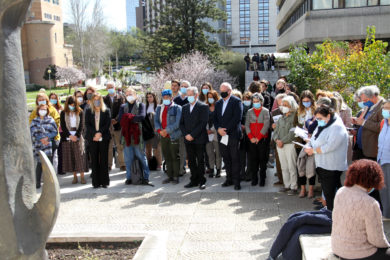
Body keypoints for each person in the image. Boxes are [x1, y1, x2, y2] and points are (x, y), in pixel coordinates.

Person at [332, 160, 390, 259]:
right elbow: (376, 239)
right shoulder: (370, 203)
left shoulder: (341, 192)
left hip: (337, 248)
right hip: (359, 254)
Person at [305, 105, 349, 210]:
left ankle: (331, 215)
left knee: (330, 194)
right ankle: (332, 213)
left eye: (320, 118)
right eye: (317, 119)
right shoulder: (324, 124)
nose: (318, 121)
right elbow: (314, 138)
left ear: (328, 116)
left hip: (332, 166)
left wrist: (314, 150)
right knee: (329, 191)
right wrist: (309, 145)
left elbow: (330, 146)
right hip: (323, 164)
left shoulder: (337, 127)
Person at [214, 82, 243, 190]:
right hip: (222, 135)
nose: (222, 93)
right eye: (220, 91)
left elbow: (237, 118)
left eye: (224, 91)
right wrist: (218, 129)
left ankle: (237, 181)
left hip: (233, 134)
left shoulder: (237, 101)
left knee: (235, 158)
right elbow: (215, 118)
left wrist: (225, 130)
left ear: (229, 91)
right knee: (226, 158)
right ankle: (229, 179)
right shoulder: (218, 103)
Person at [118, 88, 150, 185]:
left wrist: (127, 117)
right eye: (127, 94)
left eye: (131, 94)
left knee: (141, 156)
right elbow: (120, 119)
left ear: (135, 95)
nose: (129, 96)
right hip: (126, 136)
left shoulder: (141, 105)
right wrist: (132, 118)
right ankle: (129, 177)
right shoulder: (123, 106)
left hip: (138, 136)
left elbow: (141, 117)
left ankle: (146, 177)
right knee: (128, 158)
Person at [180, 87, 209, 190]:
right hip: (187, 139)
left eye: (190, 95)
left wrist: (192, 135)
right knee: (191, 161)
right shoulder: (184, 107)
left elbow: (203, 123)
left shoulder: (203, 107)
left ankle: (202, 181)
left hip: (199, 138)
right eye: (187, 95)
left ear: (196, 95)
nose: (188, 97)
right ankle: (193, 180)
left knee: (200, 160)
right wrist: (186, 135)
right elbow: (181, 123)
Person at [155, 89, 182, 184]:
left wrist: (167, 130)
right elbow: (156, 121)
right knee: (167, 156)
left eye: (167, 97)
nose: (165, 99)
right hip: (163, 136)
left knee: (174, 156)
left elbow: (177, 123)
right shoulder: (159, 108)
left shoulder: (177, 108)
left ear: (171, 98)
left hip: (173, 135)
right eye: (164, 97)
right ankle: (169, 175)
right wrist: (160, 131)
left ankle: (176, 176)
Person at [273, 96, 299, 195]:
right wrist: (276, 140)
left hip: (289, 144)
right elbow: (275, 131)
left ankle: (294, 186)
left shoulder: (295, 117)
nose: (283, 107)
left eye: (286, 105)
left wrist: (282, 141)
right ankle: (286, 185)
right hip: (280, 145)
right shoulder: (281, 117)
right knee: (284, 166)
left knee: (291, 166)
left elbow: (292, 133)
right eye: (282, 105)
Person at [29, 93, 60, 174]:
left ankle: (52, 177)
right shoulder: (34, 112)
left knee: (51, 159)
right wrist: (41, 138)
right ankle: (40, 180)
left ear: (47, 100)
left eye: (43, 99)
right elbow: (31, 125)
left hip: (52, 139)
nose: (41, 101)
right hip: (39, 141)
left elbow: (56, 124)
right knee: (40, 161)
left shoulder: (52, 110)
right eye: (39, 100)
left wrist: (47, 137)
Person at [84, 93, 111, 188]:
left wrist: (100, 133)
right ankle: (95, 182)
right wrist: (95, 134)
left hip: (104, 137)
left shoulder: (106, 110)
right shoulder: (88, 111)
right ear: (92, 101)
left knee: (104, 159)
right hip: (92, 138)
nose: (96, 101)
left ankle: (104, 182)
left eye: (98, 99)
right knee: (94, 159)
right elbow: (87, 124)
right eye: (94, 99)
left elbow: (107, 124)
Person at [30, 104, 58, 189]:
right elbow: (33, 132)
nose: (43, 111)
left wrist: (47, 137)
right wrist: (41, 139)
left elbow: (54, 132)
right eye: (41, 109)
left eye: (44, 109)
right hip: (39, 145)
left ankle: (49, 182)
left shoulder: (51, 120)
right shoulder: (34, 121)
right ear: (38, 110)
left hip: (48, 145)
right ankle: (37, 182)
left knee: (49, 164)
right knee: (39, 164)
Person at [245, 93, 270, 187]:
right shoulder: (249, 111)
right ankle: (254, 178)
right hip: (252, 140)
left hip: (262, 139)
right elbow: (247, 125)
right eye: (254, 101)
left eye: (257, 101)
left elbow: (266, 125)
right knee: (253, 160)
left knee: (262, 160)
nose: (255, 103)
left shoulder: (265, 111)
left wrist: (258, 138)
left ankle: (262, 178)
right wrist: (251, 137)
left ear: (261, 102)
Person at [60, 96, 87, 185]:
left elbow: (82, 125)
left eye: (74, 104)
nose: (72, 106)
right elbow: (63, 126)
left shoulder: (80, 112)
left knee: (80, 157)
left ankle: (82, 176)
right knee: (71, 157)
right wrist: (69, 135)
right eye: (70, 105)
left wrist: (77, 135)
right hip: (68, 137)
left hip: (78, 136)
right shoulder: (63, 113)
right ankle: (75, 176)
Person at [353, 85, 384, 161]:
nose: (364, 103)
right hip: (360, 148)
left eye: (366, 100)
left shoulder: (383, 107)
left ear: (373, 96)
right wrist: (357, 122)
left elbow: (381, 127)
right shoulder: (369, 106)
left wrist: (364, 122)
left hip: (371, 151)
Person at [297, 90, 317, 198]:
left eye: (307, 101)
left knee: (311, 166)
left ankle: (311, 190)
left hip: (313, 141)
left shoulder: (316, 111)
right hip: (303, 139)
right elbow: (301, 124)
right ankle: (303, 189)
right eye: (303, 101)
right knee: (301, 164)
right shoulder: (300, 111)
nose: (305, 103)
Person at [103, 81, 126, 171]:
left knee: (120, 145)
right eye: (108, 87)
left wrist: (116, 120)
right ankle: (109, 164)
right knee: (109, 146)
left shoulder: (120, 98)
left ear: (115, 87)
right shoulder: (104, 99)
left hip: (118, 125)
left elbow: (122, 110)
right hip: (108, 126)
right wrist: (109, 120)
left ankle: (122, 164)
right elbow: (103, 111)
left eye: (111, 87)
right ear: (106, 88)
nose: (110, 89)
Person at [174, 80, 191, 176]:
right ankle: (181, 168)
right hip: (178, 128)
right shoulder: (176, 100)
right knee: (180, 150)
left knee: (187, 150)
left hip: (189, 129)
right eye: (182, 86)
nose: (184, 88)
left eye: (186, 86)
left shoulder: (191, 99)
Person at [205, 90, 222, 178]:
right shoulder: (205, 107)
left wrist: (212, 130)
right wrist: (207, 130)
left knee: (218, 153)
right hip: (207, 133)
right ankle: (211, 169)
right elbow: (203, 120)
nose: (210, 99)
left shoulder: (219, 107)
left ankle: (219, 169)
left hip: (216, 133)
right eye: (209, 97)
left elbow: (220, 120)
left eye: (212, 97)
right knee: (210, 153)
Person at [271, 93, 287, 186]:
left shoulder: (291, 111)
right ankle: (281, 179)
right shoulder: (274, 112)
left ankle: (289, 182)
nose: (281, 106)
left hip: (288, 139)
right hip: (277, 139)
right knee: (278, 160)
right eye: (279, 103)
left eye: (283, 103)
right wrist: (272, 126)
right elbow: (270, 125)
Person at [378, 100, 390, 219]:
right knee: (383, 188)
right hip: (381, 158)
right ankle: (386, 213)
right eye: (384, 108)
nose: (385, 110)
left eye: (388, 108)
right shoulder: (384, 123)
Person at [145, 91, 162, 171]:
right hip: (147, 130)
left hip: (156, 129)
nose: (149, 98)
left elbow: (160, 118)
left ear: (154, 97)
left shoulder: (158, 106)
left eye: (150, 96)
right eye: (147, 97)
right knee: (148, 149)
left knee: (156, 148)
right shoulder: (145, 107)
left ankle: (159, 164)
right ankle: (149, 163)